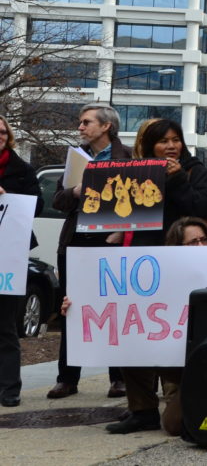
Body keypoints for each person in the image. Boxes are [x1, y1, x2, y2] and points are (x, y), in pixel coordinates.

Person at [61, 216, 207, 436]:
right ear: (175, 248)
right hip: (175, 359)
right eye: (193, 242)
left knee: (175, 426)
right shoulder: (156, 276)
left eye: (204, 240)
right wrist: (76, 306)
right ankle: (143, 412)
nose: (200, 246)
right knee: (129, 338)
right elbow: (116, 308)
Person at [108, 119, 207, 434]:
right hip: (141, 264)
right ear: (150, 146)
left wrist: (179, 179)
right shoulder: (137, 171)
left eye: (176, 140)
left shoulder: (194, 169)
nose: (171, 146)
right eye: (163, 141)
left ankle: (177, 399)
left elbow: (200, 209)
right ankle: (141, 408)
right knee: (134, 334)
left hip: (178, 267)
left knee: (172, 334)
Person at [47, 104, 128, 400]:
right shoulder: (76, 158)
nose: (80, 127)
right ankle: (67, 378)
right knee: (72, 308)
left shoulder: (128, 157)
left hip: (112, 242)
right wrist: (75, 192)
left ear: (106, 126)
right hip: (75, 243)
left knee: (115, 310)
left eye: (86, 122)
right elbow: (58, 200)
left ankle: (119, 378)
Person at [0, 114, 41, 407]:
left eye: (3, 132)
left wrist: (7, 196)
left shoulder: (22, 170)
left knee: (5, 326)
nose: (0, 135)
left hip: (8, 257)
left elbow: (36, 204)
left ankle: (10, 389)